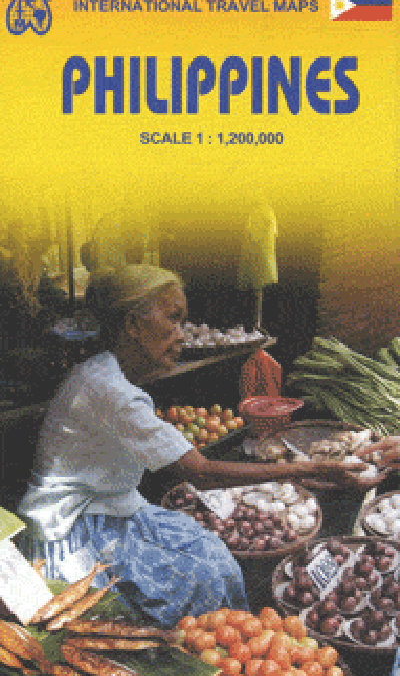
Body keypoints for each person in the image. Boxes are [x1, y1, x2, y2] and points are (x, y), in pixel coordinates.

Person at [17, 264, 389, 628]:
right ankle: (201, 645)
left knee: (213, 557)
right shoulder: (110, 391)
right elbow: (203, 474)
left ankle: (223, 640)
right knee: (190, 583)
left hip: (109, 510)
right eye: (173, 319)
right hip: (72, 528)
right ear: (132, 325)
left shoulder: (106, 374)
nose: (182, 335)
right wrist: (316, 469)